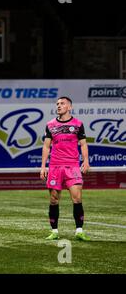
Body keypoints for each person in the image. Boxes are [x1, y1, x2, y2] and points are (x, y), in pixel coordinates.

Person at [40, 96, 90, 241]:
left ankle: (79, 230)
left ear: (69, 107)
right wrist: (43, 166)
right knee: (54, 200)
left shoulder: (78, 124)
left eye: (62, 103)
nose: (59, 106)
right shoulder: (50, 125)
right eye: (57, 104)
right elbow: (46, 146)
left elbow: (83, 144)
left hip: (72, 166)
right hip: (55, 166)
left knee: (77, 198)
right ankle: (54, 231)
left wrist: (86, 161)